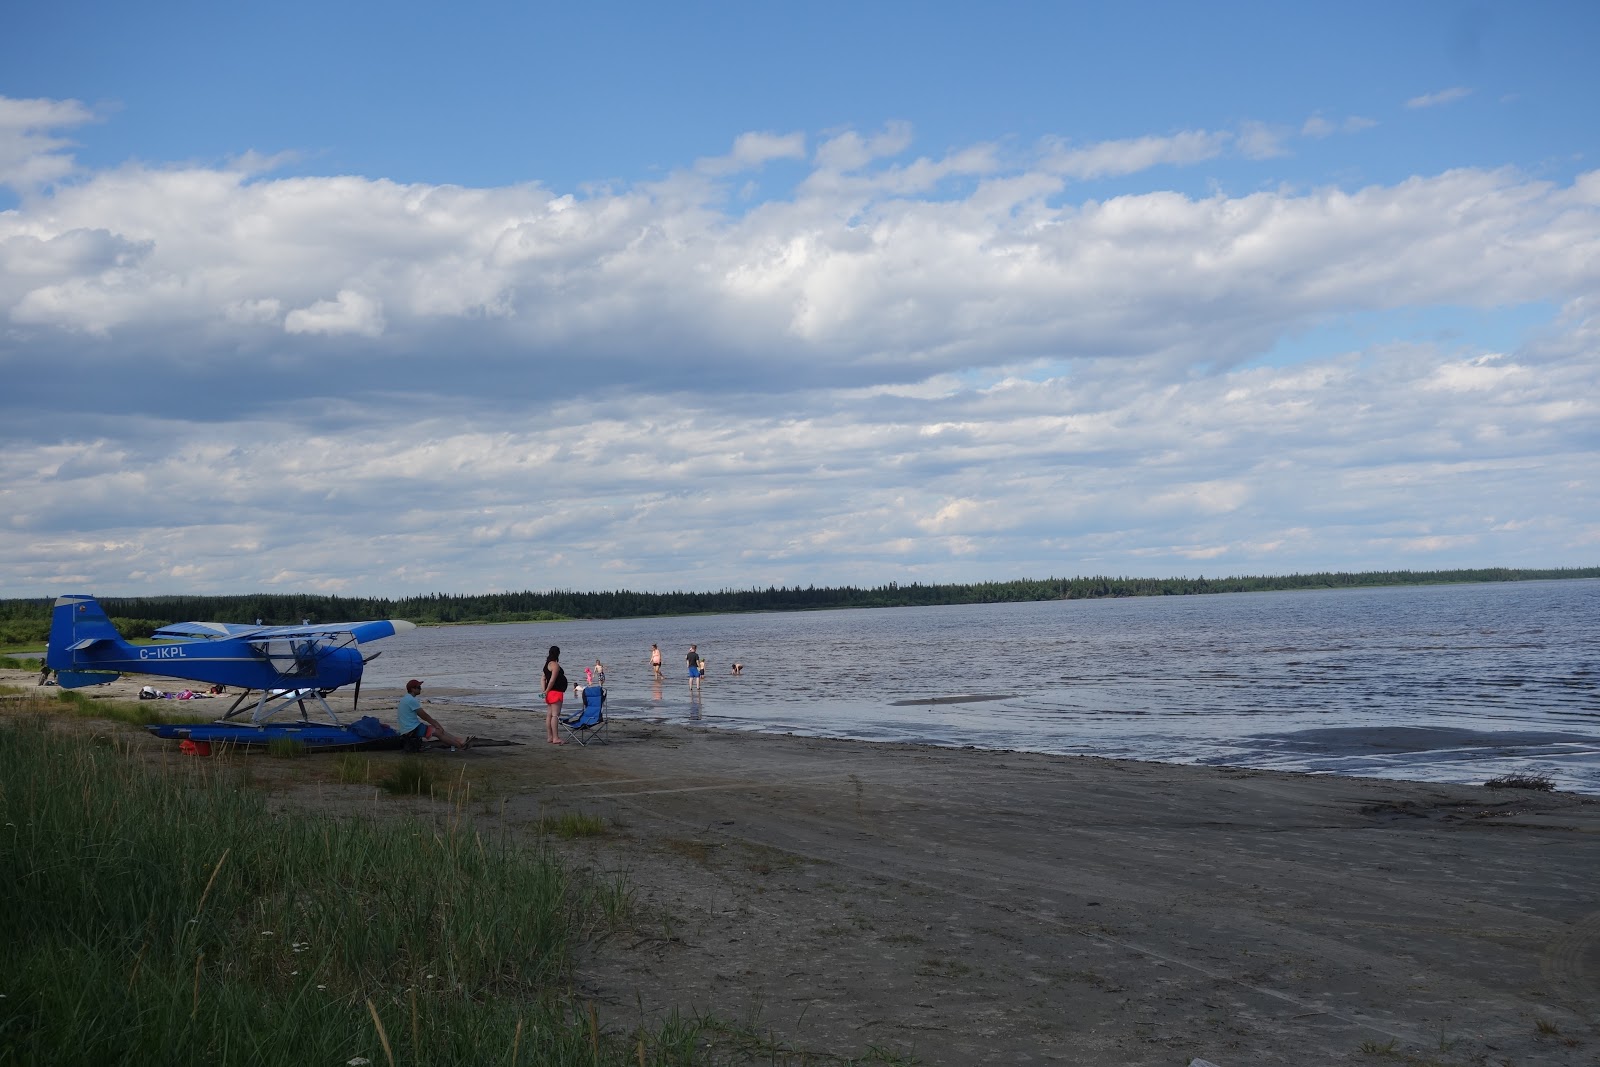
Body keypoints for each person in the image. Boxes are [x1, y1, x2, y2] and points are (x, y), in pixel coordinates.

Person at [396, 679, 467, 749]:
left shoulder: (405, 699)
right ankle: (459, 745)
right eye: (418, 687)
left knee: (437, 730)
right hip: (411, 729)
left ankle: (459, 740)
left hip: (407, 728)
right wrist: (436, 724)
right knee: (438, 732)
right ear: (412, 689)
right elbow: (424, 716)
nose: (420, 689)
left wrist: (436, 725)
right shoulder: (411, 700)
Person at [542, 646, 568, 745]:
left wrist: (544, 691)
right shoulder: (555, 665)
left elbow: (543, 679)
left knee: (549, 714)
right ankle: (556, 738)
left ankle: (550, 736)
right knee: (555, 715)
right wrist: (547, 690)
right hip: (555, 692)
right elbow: (552, 680)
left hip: (549, 693)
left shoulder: (546, 665)